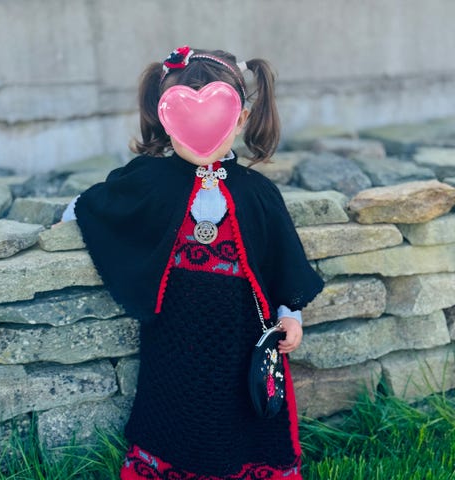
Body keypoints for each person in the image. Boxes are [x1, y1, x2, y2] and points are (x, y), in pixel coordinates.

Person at [62, 46, 324, 479]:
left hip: (244, 336)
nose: (202, 136)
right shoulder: (149, 180)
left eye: (216, 121)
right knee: (174, 411)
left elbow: (281, 263)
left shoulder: (257, 192)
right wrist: (70, 218)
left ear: (240, 119)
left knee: (241, 413)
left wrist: (289, 314)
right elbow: (97, 206)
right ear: (165, 119)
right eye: (187, 122)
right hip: (174, 335)